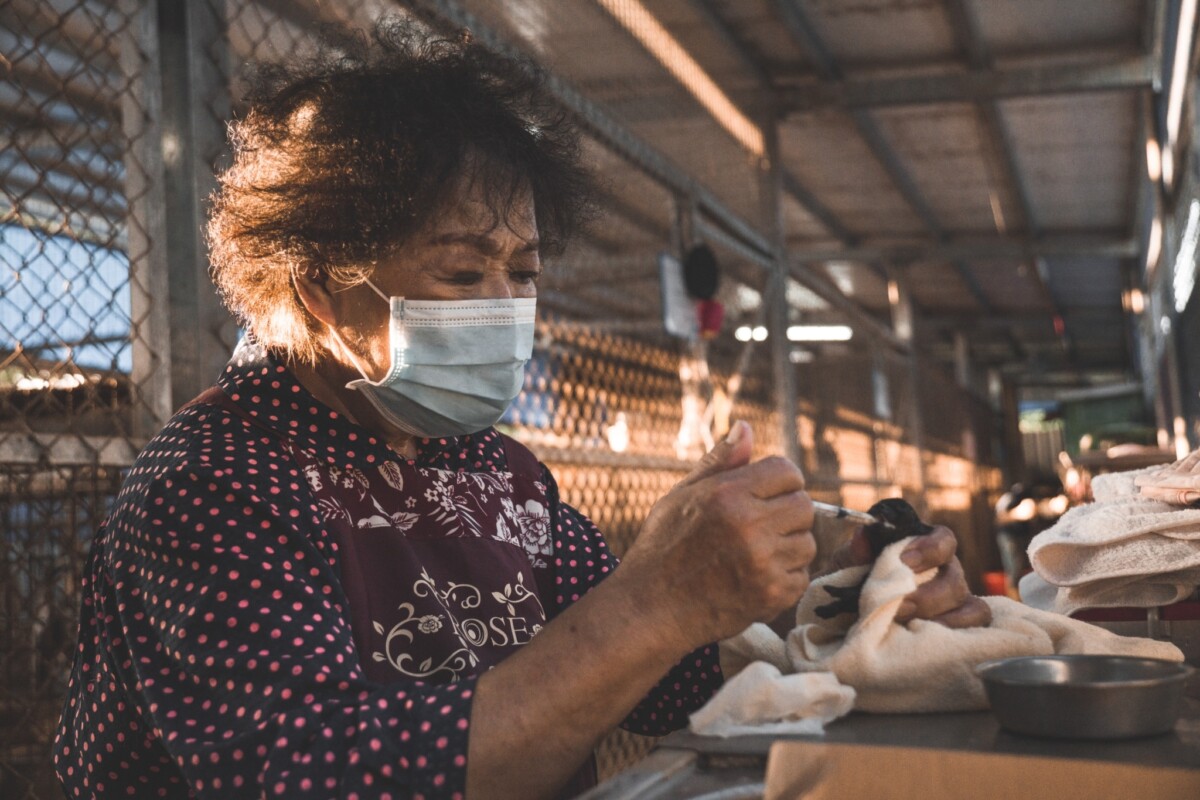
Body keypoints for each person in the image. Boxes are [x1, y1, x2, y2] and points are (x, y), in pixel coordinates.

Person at [53, 19, 989, 800]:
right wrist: (653, 599)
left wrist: (847, 598)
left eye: (524, 272)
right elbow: (328, 777)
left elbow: (658, 682)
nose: (504, 307)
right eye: (463, 272)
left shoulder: (494, 473)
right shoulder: (215, 486)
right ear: (320, 290)